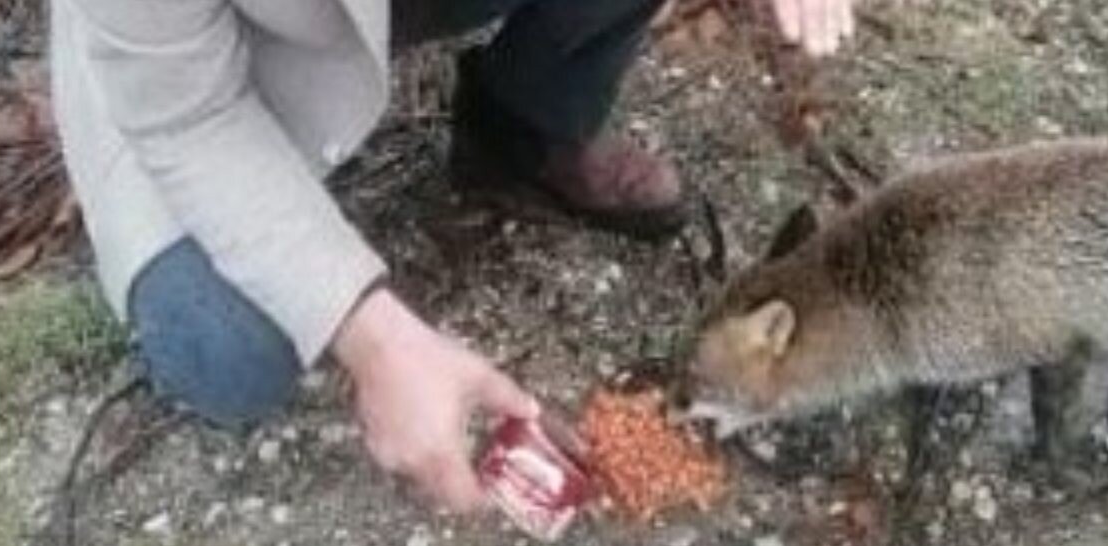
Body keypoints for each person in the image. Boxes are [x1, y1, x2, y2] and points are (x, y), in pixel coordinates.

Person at [49, 0, 856, 511]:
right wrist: (372, 337)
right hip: (210, 63)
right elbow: (189, 118)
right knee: (230, 350)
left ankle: (528, 124)